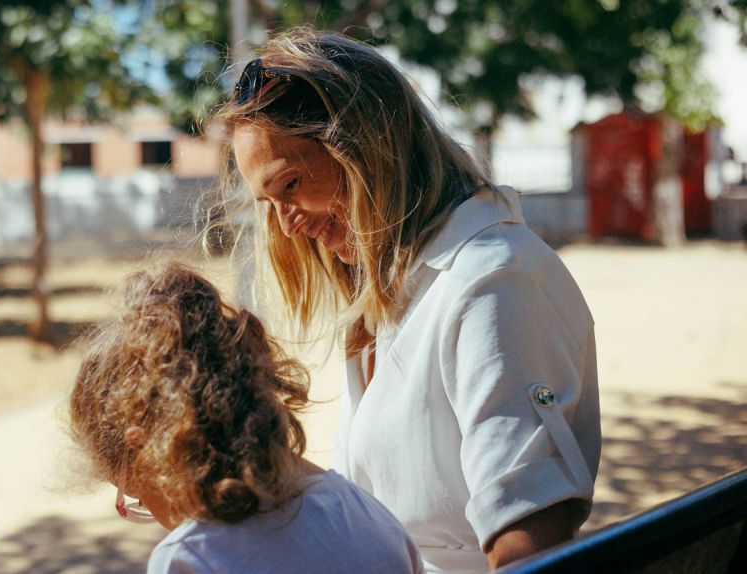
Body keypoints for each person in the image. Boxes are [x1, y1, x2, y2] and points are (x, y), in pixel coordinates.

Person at [214, 28, 601, 573]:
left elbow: (531, 538)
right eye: (270, 202)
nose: (288, 224)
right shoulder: (387, 299)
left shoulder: (493, 281)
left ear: (364, 143)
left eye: (292, 184)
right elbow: (366, 504)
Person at [68, 263, 424, 574]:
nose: (158, 523)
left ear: (148, 447)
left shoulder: (193, 560)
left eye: (139, 499)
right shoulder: (370, 517)